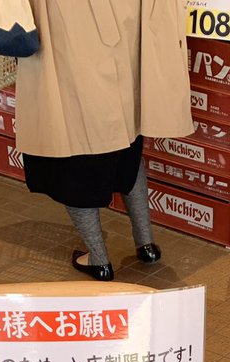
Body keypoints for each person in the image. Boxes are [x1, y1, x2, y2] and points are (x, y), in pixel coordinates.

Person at [15, 0, 193, 281]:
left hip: (69, 30)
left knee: (73, 150)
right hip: (125, 22)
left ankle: (99, 260)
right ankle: (146, 244)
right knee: (127, 140)